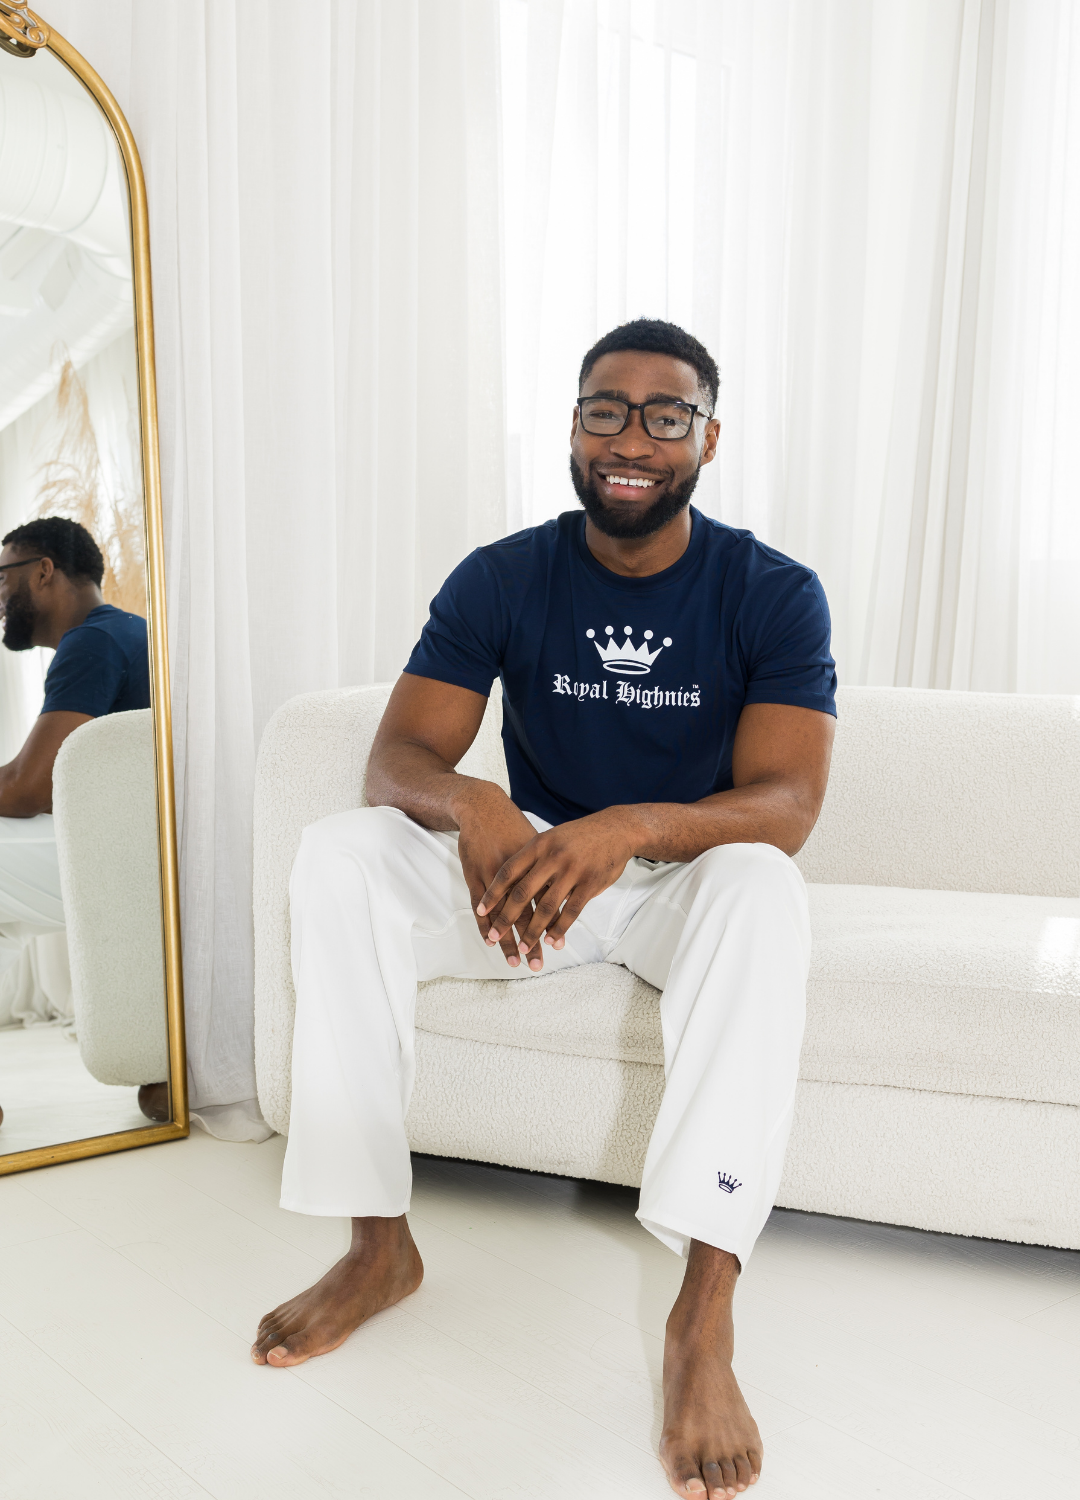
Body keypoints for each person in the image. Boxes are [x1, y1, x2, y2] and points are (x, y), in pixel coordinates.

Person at [253, 319, 836, 1500]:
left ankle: (703, 1316)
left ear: (709, 439)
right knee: (340, 855)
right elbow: (395, 760)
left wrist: (631, 825)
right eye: (604, 411)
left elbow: (785, 803)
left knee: (766, 890)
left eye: (665, 415)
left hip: (675, 887)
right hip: (531, 889)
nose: (631, 438)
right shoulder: (503, 575)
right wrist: (474, 801)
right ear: (572, 431)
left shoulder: (772, 592)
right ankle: (377, 1244)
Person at [0, 516, 151, 1126]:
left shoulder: (91, 643)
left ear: (42, 572)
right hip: (137, 847)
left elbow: (31, 787)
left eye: (2, 574)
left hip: (121, 861)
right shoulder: (126, 633)